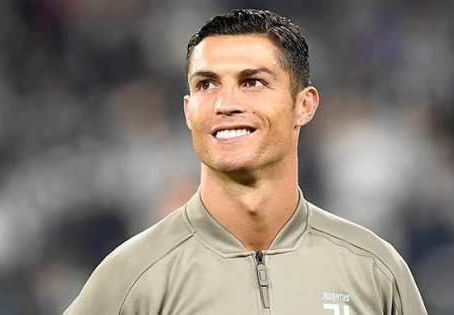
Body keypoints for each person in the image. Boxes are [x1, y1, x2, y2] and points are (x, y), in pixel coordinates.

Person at [63, 8, 427, 314]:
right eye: (207, 84)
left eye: (252, 82)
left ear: (304, 105)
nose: (226, 104)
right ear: (188, 111)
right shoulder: (130, 276)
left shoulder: (375, 270)